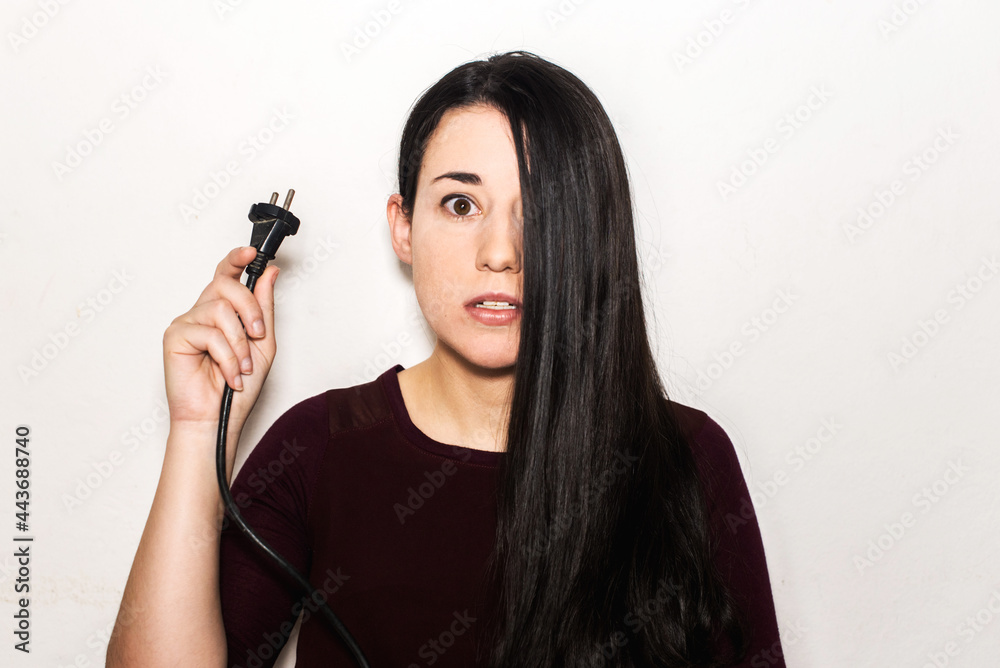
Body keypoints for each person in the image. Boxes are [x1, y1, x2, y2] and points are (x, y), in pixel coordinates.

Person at [107, 51, 785, 668]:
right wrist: (199, 429)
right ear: (404, 227)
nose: (500, 253)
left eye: (540, 212)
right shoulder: (317, 449)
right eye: (461, 205)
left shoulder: (687, 458)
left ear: (591, 234)